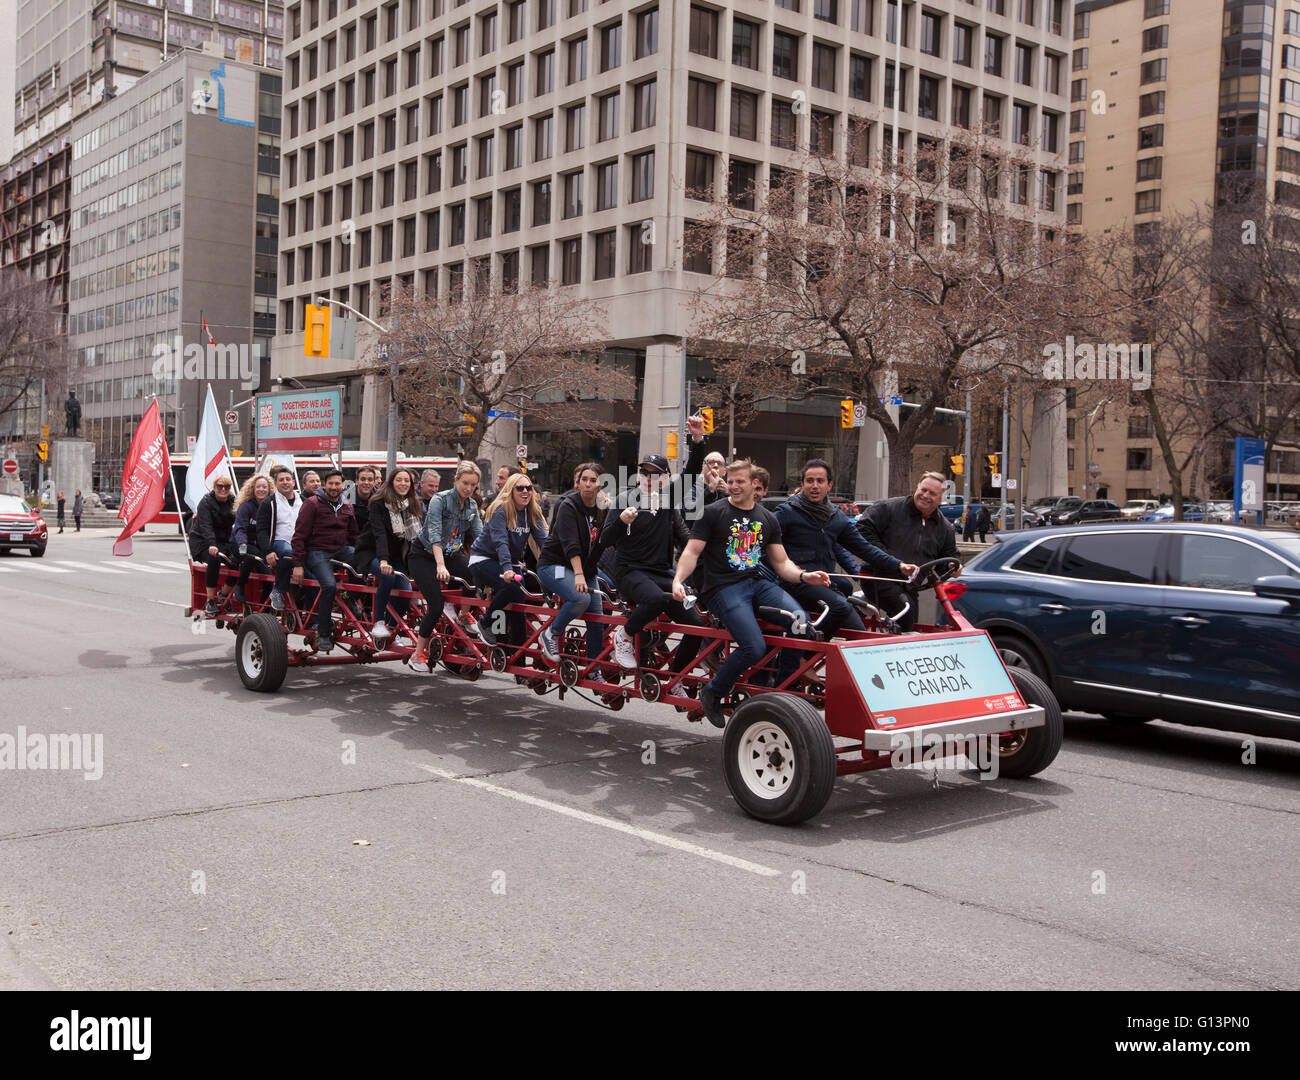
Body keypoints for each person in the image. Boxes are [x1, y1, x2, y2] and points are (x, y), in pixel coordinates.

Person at [672, 459, 830, 727]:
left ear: (754, 483)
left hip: (756, 583)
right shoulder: (712, 513)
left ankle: (783, 689)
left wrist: (805, 576)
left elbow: (781, 563)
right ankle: (713, 691)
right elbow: (692, 551)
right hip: (723, 588)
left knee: (800, 622)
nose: (733, 486)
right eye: (730, 481)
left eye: (739, 482)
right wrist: (678, 580)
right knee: (753, 647)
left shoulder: (767, 518)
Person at [601, 414, 709, 670]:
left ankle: (676, 676)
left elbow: (692, 470)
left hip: (661, 572)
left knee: (697, 627)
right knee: (656, 599)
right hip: (630, 573)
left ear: (664, 479)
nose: (649, 478)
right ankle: (624, 637)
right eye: (644, 473)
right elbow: (605, 539)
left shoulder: (668, 500)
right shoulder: (623, 500)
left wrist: (697, 439)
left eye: (656, 474)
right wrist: (621, 522)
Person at [769, 459, 915, 644]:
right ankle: (804, 657)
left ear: (829, 485)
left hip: (823, 582)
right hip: (794, 581)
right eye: (810, 481)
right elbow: (765, 544)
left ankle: (810, 658)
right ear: (803, 484)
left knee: (859, 634)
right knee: (840, 606)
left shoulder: (836, 516)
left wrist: (899, 565)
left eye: (820, 481)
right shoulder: (786, 512)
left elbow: (865, 548)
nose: (815, 486)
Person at [405, 461, 485, 673]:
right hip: (424, 555)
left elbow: (479, 538)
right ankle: (418, 652)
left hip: (450, 553)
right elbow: (434, 534)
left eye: (473, 485)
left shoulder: (472, 506)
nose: (468, 488)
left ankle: (464, 614)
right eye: (465, 483)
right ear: (456, 480)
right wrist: (440, 566)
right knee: (436, 604)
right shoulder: (439, 500)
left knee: (474, 572)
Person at [857, 471, 960, 631]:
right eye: (923, 490)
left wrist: (952, 567)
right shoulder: (888, 508)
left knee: (911, 627)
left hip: (910, 586)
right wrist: (887, 559)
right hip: (878, 578)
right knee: (907, 616)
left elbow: (948, 557)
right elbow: (862, 530)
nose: (925, 495)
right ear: (916, 488)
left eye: (932, 493)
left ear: (940, 499)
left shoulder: (944, 528)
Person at [537, 463, 609, 661]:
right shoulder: (568, 505)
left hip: (585, 570)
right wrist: (578, 575)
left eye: (593, 480)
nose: (587, 484)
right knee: (581, 598)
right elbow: (571, 545)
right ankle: (551, 633)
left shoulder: (603, 508)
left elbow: (605, 542)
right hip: (554, 565)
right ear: (578, 483)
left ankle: (594, 667)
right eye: (584, 479)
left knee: (597, 616)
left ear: (601, 484)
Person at [468, 472, 547, 647]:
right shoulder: (500, 510)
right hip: (483, 559)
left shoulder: (532, 511)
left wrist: (562, 565)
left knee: (520, 607)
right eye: (520, 488)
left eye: (529, 488)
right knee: (511, 588)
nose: (525, 491)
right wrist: (506, 569)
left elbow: (545, 542)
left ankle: (518, 661)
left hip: (510, 563)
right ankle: (485, 622)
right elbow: (500, 542)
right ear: (511, 490)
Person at [290, 469, 359, 653]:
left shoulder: (347, 505)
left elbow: (353, 535)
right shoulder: (312, 504)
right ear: (324, 484)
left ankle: (349, 597)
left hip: (340, 549)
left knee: (364, 562)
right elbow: (299, 536)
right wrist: (297, 564)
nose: (334, 487)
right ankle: (323, 634)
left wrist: (361, 553)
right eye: (331, 483)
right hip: (317, 551)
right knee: (329, 586)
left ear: (342, 486)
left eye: (338, 484)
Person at [353, 467, 421, 642]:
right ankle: (379, 623)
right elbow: (379, 534)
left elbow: (417, 536)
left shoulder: (412, 504)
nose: (403, 484)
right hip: (371, 552)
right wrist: (383, 560)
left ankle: (390, 628)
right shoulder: (378, 503)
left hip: (396, 556)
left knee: (406, 591)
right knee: (388, 577)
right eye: (399, 480)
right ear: (391, 482)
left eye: (407, 480)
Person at [189, 474, 238, 616]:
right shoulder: (205, 503)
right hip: (203, 542)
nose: (223, 489)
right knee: (214, 559)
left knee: (238, 561)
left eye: (227, 487)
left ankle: (223, 594)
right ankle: (210, 600)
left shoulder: (233, 501)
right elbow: (206, 526)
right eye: (220, 486)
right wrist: (211, 544)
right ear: (214, 487)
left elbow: (239, 522)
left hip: (223, 541)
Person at [255, 466, 302, 612]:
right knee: (288, 552)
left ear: (294, 482)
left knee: (313, 577)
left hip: (299, 544)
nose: (285, 482)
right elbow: (261, 530)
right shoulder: (268, 503)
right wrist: (268, 551)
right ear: (275, 483)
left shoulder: (305, 501)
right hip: (278, 542)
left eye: (288, 479)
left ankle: (311, 618)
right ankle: (278, 590)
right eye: (281, 480)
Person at [231, 474, 272, 606]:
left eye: (264, 487)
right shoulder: (246, 507)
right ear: (252, 489)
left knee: (269, 578)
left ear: (269, 489)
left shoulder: (271, 507)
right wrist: (242, 546)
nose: (261, 489)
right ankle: (239, 586)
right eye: (258, 487)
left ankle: (264, 609)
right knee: (250, 556)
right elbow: (240, 529)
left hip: (260, 547)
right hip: (241, 544)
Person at [351, 466, 378, 535]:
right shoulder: (345, 499)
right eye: (363, 479)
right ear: (356, 481)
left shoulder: (380, 499)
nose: (366, 482)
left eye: (370, 479)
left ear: (374, 482)